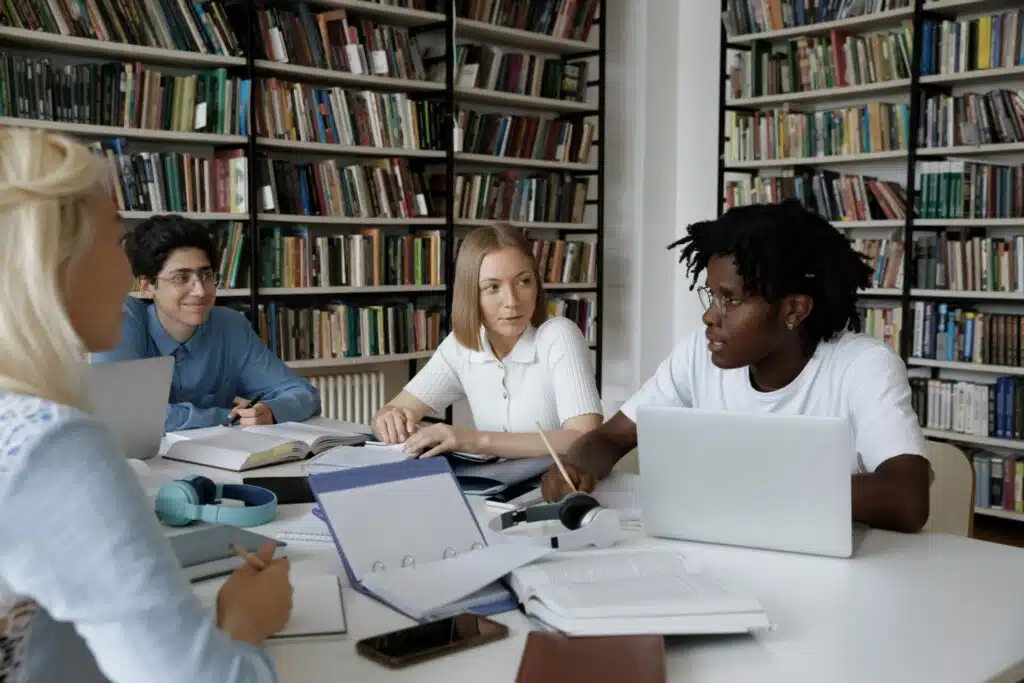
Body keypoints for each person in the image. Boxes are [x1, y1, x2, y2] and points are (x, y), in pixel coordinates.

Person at [0, 128, 293, 682]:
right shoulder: (50, 445)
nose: (126, 275)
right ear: (53, 261)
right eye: (115, 242)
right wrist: (246, 620)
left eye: (205, 276)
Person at [541, 200, 931, 534]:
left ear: (794, 310)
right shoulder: (699, 354)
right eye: (711, 296)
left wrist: (751, 486)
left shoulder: (864, 367)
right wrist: (574, 466)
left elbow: (907, 499)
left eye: (730, 299)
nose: (710, 316)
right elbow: (612, 438)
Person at [372, 223, 603, 459]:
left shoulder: (559, 335)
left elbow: (585, 438)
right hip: (492, 482)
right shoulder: (462, 345)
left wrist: (473, 440)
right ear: (470, 294)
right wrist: (386, 418)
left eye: (523, 281)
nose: (511, 301)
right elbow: (396, 409)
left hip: (559, 482)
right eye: (493, 287)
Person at [91, 214, 321, 431]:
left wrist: (270, 411)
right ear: (147, 286)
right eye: (181, 278)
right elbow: (123, 414)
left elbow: (303, 394)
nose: (200, 291)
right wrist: (228, 417)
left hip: (222, 456)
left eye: (206, 275)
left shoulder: (230, 326)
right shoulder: (118, 320)